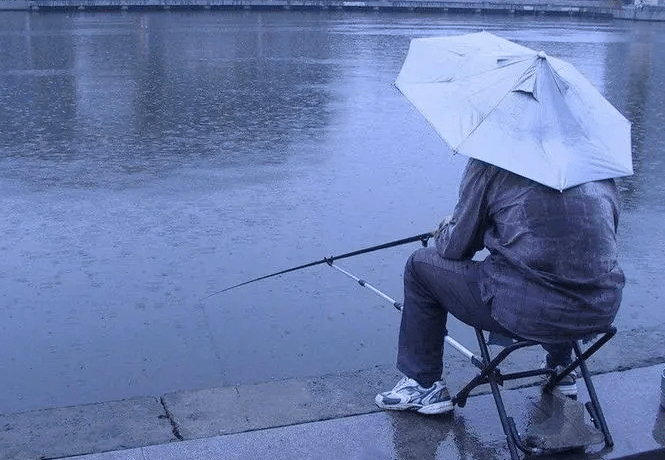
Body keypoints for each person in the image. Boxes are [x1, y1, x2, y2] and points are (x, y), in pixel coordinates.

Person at [375, 158, 625, 415]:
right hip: (600, 309)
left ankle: (422, 383)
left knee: (419, 265)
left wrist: (445, 228)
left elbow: (456, 247)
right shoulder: (597, 166)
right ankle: (562, 369)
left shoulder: (492, 162)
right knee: (561, 265)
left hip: (527, 311)